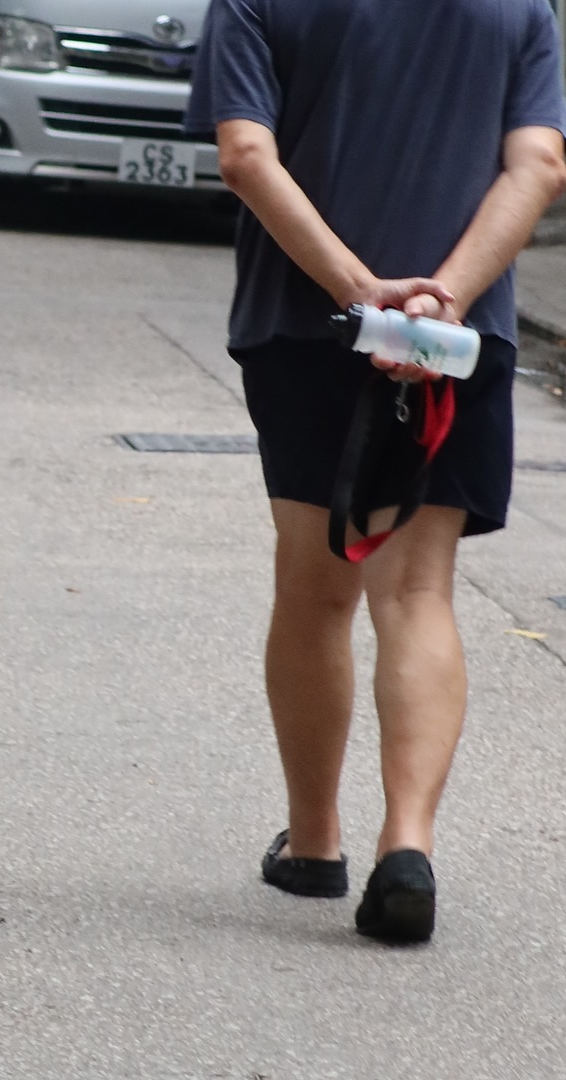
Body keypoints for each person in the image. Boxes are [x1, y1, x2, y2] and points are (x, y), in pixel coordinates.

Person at [185, 0, 566, 943]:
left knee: (317, 591)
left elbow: (244, 156)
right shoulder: (519, 3)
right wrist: (444, 302)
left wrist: (365, 296)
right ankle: (410, 844)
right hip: (462, 334)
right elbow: (541, 165)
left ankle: (314, 844)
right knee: (420, 592)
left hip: (309, 322)